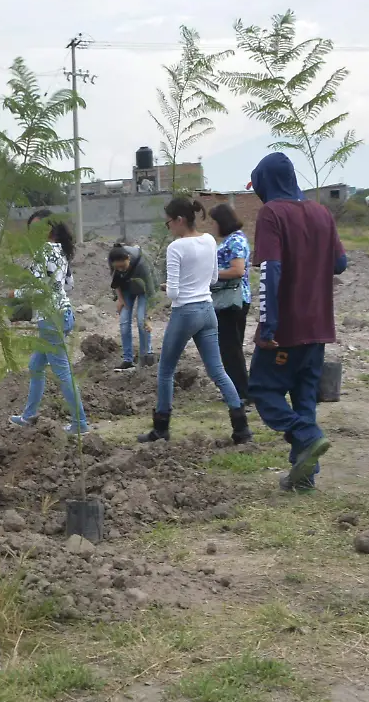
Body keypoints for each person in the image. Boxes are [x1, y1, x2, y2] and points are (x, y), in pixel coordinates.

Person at [246, 153, 347, 491]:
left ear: (265, 181)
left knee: (261, 388)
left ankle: (308, 436)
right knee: (304, 398)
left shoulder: (272, 213)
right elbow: (340, 263)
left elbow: (270, 270)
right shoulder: (322, 212)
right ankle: (304, 477)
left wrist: (268, 324)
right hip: (318, 327)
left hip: (286, 329)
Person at [137, 198, 248, 444]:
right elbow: (212, 279)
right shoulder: (209, 240)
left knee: (165, 370)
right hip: (208, 310)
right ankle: (241, 427)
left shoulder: (176, 248)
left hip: (185, 312)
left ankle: (161, 428)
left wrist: (168, 288)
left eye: (168, 223)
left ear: (179, 220)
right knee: (218, 371)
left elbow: (175, 293)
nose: (169, 228)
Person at [8, 210, 88, 436]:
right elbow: (69, 284)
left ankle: (80, 423)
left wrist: (16, 292)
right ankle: (28, 415)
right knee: (35, 367)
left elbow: (37, 287)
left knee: (63, 372)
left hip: (51, 318)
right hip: (61, 314)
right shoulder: (61, 251)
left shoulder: (44, 251)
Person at [209, 201, 254, 406]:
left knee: (230, 349)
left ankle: (242, 393)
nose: (213, 227)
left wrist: (212, 276)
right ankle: (238, 390)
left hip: (233, 301)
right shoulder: (233, 239)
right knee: (230, 348)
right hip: (231, 300)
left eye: (214, 222)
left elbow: (238, 270)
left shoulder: (235, 241)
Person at [109, 242, 153, 369]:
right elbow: (115, 282)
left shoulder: (142, 264)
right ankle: (128, 359)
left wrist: (148, 316)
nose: (121, 270)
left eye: (123, 266)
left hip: (145, 289)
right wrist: (120, 300)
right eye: (118, 268)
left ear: (128, 258)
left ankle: (145, 356)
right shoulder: (113, 261)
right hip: (127, 288)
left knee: (141, 321)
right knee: (123, 321)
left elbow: (151, 291)